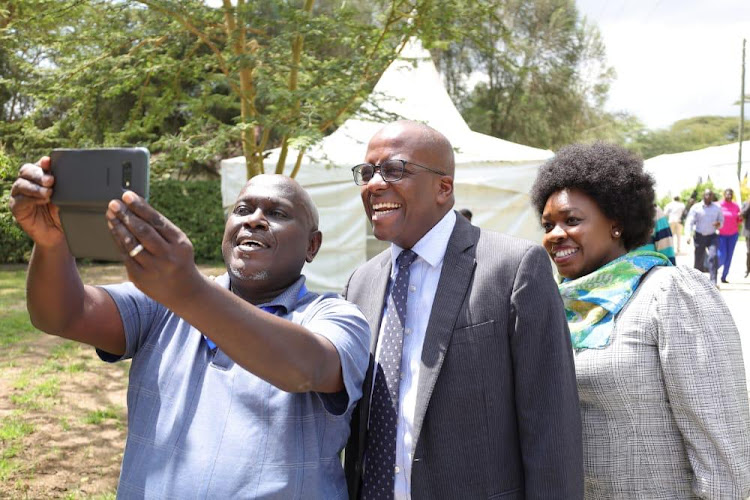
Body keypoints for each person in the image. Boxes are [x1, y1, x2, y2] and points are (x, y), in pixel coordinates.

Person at [9, 158, 370, 498]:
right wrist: (51, 243)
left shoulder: (336, 315)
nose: (255, 220)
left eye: (277, 213)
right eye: (242, 210)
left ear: (312, 244)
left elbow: (306, 368)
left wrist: (187, 289)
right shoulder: (163, 300)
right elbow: (63, 315)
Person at [343, 120, 583, 499]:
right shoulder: (361, 283)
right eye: (368, 172)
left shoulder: (513, 267)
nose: (374, 184)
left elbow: (551, 427)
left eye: (393, 170)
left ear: (444, 187)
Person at [530, 142, 750, 499]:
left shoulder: (670, 292)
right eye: (547, 224)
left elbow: (720, 437)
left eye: (572, 220)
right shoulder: (560, 306)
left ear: (616, 223)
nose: (555, 235)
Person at [685, 188, 724, 285]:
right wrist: (688, 235)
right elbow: (689, 222)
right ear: (703, 196)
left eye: (710, 195)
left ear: (712, 196)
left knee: (713, 256)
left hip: (712, 236)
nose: (708, 197)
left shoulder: (717, 208)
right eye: (706, 195)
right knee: (699, 259)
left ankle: (713, 282)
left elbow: (722, 221)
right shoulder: (696, 207)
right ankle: (697, 282)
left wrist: (719, 224)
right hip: (699, 236)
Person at [717, 188, 742, 283]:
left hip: (733, 235)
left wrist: (740, 217)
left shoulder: (736, 206)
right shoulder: (719, 205)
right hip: (722, 235)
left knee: (729, 256)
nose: (729, 196)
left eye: (730, 194)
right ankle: (714, 269)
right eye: (727, 194)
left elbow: (739, 220)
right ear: (724, 195)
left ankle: (724, 276)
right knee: (722, 255)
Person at [742, 198, 750, 278]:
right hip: (749, 232)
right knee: (749, 252)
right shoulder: (746, 204)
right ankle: (748, 269)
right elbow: (743, 215)